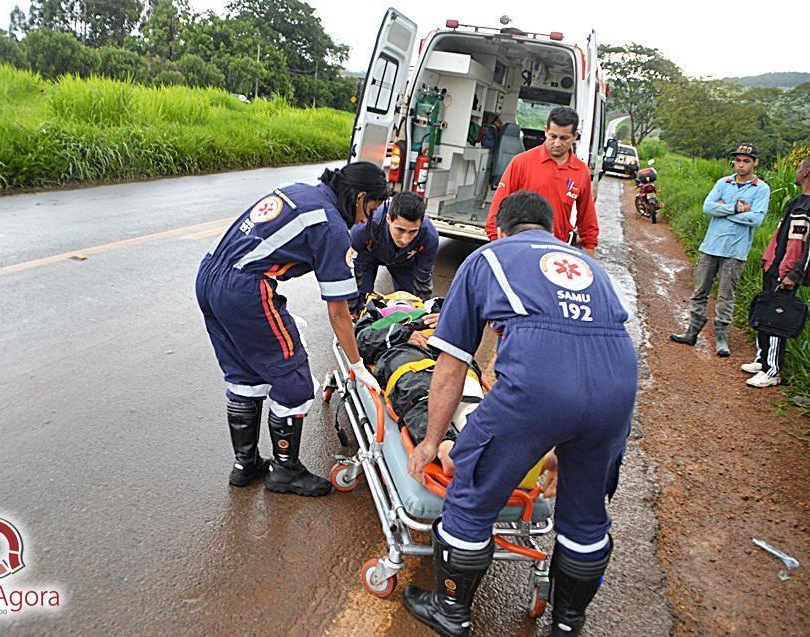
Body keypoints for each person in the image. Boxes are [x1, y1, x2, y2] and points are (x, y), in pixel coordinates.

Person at [403, 190, 638, 637]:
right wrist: (561, 444)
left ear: (499, 227)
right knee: (586, 515)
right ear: (552, 230)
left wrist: (433, 440)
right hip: (617, 385)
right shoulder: (590, 267)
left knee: (471, 494)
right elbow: (582, 355)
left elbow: (452, 363)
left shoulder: (487, 259)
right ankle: (568, 623)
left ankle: (451, 611)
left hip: (536, 387)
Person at [195, 162, 387, 497]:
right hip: (245, 290)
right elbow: (339, 311)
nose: (363, 221)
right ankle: (285, 470)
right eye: (368, 211)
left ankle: (245, 465)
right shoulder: (330, 224)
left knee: (245, 374)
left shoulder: (301, 191)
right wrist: (357, 366)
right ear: (358, 198)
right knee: (294, 379)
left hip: (209, 274)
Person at [671, 143, 771, 356]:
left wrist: (723, 210)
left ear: (755, 163)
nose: (741, 165)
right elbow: (708, 207)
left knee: (727, 295)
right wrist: (736, 208)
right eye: (738, 160)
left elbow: (756, 218)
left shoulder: (761, 189)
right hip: (710, 246)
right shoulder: (723, 182)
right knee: (699, 291)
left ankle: (721, 337)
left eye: (746, 161)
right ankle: (692, 331)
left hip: (736, 251)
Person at [485, 106, 599, 255]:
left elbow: (587, 219)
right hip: (519, 248)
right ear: (545, 131)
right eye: (553, 136)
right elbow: (498, 208)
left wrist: (589, 255)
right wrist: (498, 245)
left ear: (575, 136)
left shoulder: (581, 171)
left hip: (556, 250)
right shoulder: (521, 162)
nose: (557, 143)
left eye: (564, 138)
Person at [742, 156, 810, 387]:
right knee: (765, 314)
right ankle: (762, 360)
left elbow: (808, 248)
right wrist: (768, 260)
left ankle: (773, 371)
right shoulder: (795, 201)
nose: (797, 171)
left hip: (788, 272)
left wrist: (795, 273)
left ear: (808, 172)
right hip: (774, 266)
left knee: (776, 320)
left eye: (800, 167)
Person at [349, 191, 439, 313]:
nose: (405, 239)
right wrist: (350, 313)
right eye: (400, 230)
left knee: (410, 302)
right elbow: (350, 273)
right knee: (361, 298)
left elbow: (423, 280)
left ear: (421, 223)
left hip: (404, 261)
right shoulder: (364, 227)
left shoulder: (429, 237)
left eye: (413, 231)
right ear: (388, 219)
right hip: (368, 255)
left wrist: (422, 314)